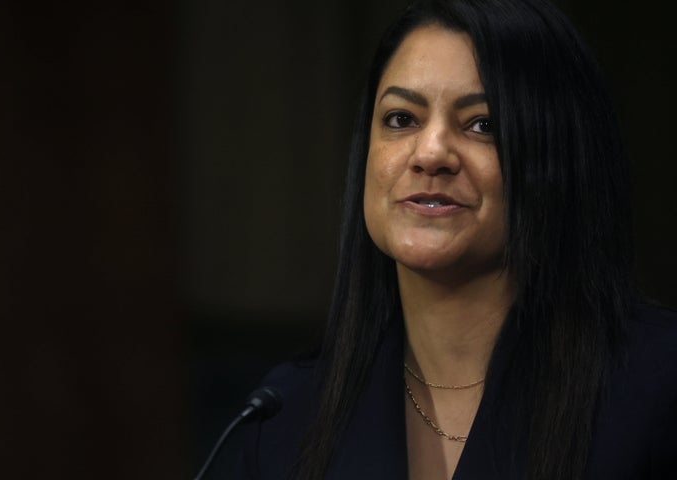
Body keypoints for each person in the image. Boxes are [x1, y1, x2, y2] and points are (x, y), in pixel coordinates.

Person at [237, 0, 677, 478]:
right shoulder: (285, 416)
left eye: (482, 124)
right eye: (402, 119)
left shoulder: (659, 387)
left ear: (558, 156)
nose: (430, 154)